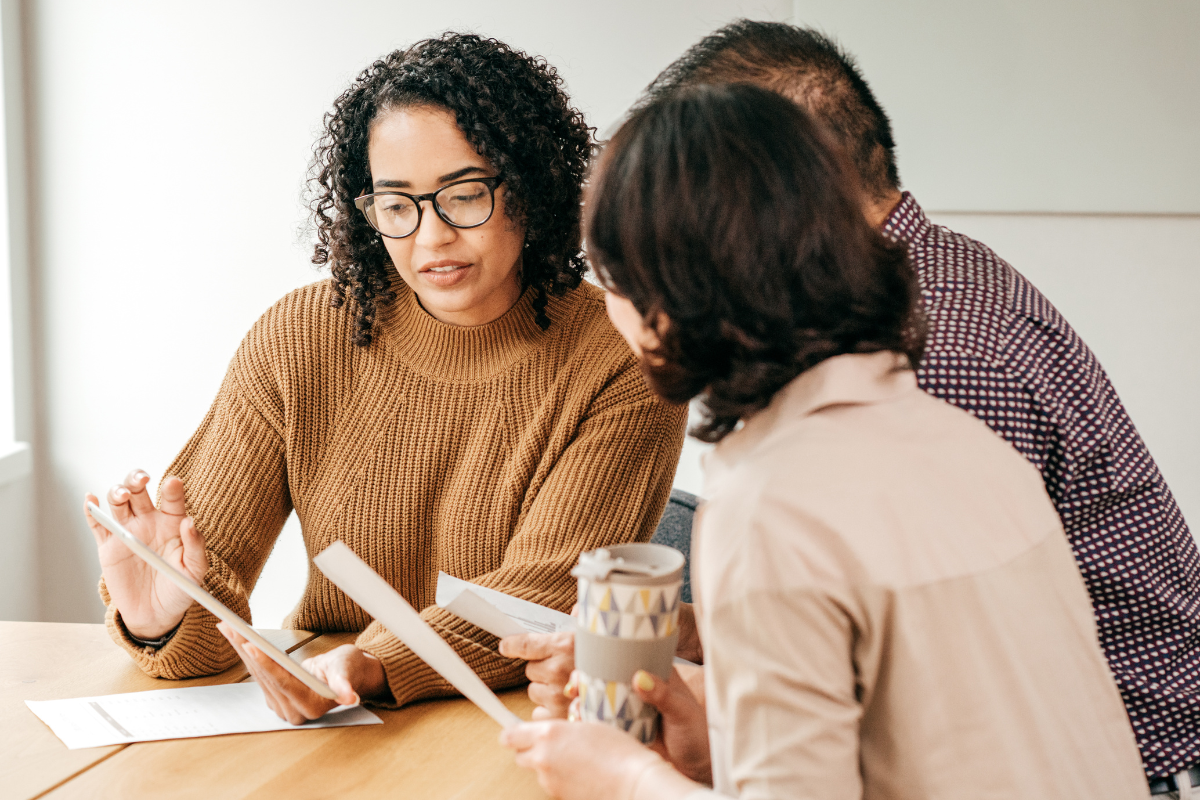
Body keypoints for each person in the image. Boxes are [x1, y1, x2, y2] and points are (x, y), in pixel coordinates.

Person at [511, 20, 1200, 792]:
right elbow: (929, 693)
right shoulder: (933, 418)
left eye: (611, 280)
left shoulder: (803, 477)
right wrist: (715, 712)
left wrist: (620, 777)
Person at [83, 33, 687, 723]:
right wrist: (164, 615)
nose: (430, 237)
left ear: (531, 188)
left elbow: (542, 596)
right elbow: (207, 635)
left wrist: (374, 665)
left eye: (463, 195)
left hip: (514, 722)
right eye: (398, 205)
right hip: (328, 716)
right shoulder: (299, 339)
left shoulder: (622, 354)